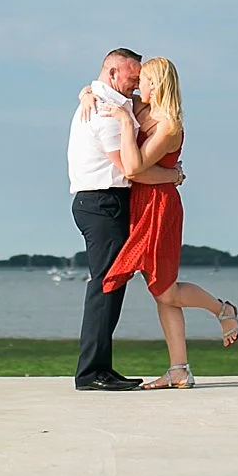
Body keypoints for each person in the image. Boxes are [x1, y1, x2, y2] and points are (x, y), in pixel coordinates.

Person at [95, 57, 238, 389]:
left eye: (142, 79)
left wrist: (123, 122)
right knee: (162, 293)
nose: (136, 85)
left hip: (160, 208)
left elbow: (133, 168)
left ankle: (222, 309)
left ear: (155, 84)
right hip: (141, 204)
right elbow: (101, 89)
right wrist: (85, 95)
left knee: (165, 288)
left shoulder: (169, 126)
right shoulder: (139, 107)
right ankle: (179, 370)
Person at [69, 48, 176, 391]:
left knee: (110, 286)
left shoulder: (108, 99)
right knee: (106, 286)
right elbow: (132, 170)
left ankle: (100, 367)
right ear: (113, 73)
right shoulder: (105, 113)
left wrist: (85, 90)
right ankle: (91, 373)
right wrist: (174, 176)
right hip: (103, 202)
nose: (134, 86)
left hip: (102, 203)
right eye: (132, 79)